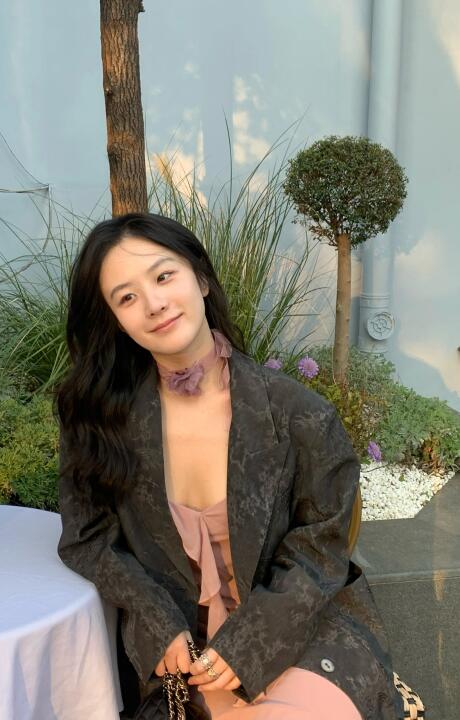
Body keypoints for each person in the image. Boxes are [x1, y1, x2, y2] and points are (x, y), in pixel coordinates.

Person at [55, 212, 400, 720]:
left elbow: (321, 547)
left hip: (301, 633)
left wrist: (250, 642)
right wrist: (154, 618)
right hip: (186, 659)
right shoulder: (100, 421)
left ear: (200, 277)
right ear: (114, 320)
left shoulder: (297, 413)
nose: (153, 303)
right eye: (126, 297)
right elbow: (87, 539)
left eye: (163, 276)